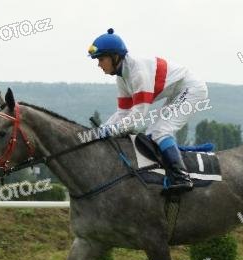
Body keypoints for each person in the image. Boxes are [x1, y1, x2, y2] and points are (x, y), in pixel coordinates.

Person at [88, 28, 208, 192]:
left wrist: (110, 131)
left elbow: (136, 119)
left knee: (161, 131)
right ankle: (166, 172)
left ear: (115, 56)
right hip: (177, 90)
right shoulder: (122, 77)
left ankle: (182, 177)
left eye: (101, 59)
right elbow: (123, 113)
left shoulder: (138, 73)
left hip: (191, 88)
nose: (99, 64)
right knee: (152, 132)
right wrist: (101, 129)